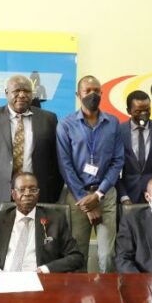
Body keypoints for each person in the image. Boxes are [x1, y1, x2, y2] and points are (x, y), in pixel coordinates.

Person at [56, 75, 124, 272]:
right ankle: (78, 299)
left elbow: (118, 161)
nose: (92, 94)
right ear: (78, 94)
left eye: (96, 91)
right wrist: (86, 200)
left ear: (102, 93)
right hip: (77, 197)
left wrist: (99, 194)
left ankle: (108, 297)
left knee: (107, 254)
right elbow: (65, 165)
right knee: (78, 252)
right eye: (88, 91)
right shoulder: (66, 124)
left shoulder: (112, 122)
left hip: (106, 195)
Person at [0, 75, 63, 218]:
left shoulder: (48, 119)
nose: (22, 95)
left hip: (37, 196)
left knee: (37, 238)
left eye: (26, 91)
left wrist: (52, 195)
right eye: (17, 91)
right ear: (7, 93)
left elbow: (56, 161)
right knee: (1, 239)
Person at [0, 172, 83, 272]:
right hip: (2, 279)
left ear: (38, 193)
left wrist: (46, 269)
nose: (27, 194)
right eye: (22, 189)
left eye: (33, 189)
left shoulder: (56, 220)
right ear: (13, 194)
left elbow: (76, 256)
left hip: (39, 281)